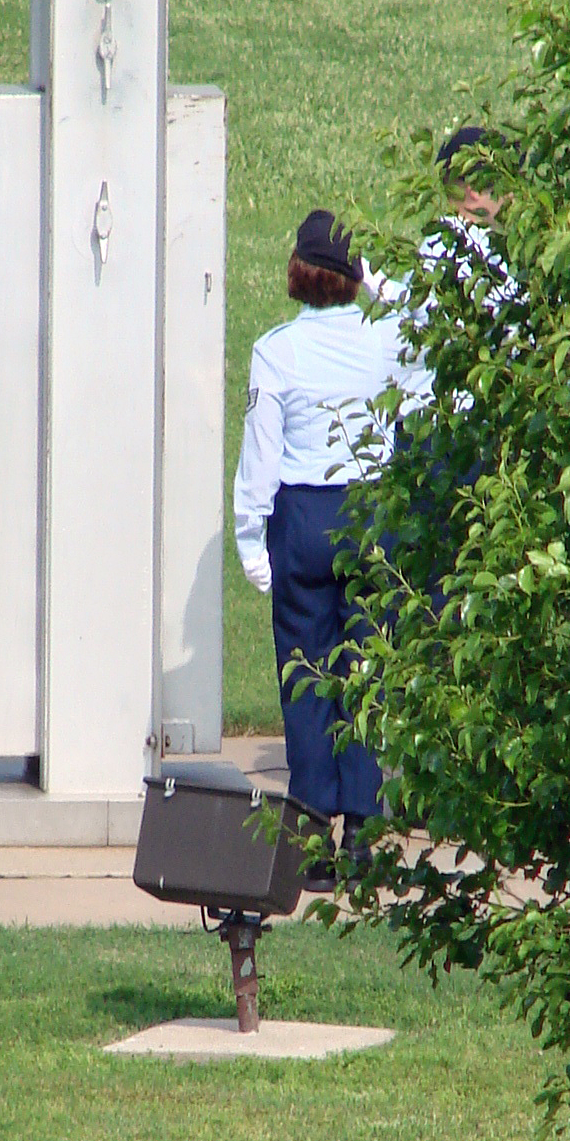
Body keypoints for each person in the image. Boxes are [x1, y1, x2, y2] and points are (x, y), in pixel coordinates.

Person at [232, 210, 430, 886]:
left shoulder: (277, 349)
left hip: (303, 518)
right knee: (367, 674)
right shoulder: (389, 341)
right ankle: (363, 836)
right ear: (354, 277)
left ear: (297, 272)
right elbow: (428, 358)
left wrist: (250, 537)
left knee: (307, 675)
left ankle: (313, 837)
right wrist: (379, 286)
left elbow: (261, 455)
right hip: (372, 514)